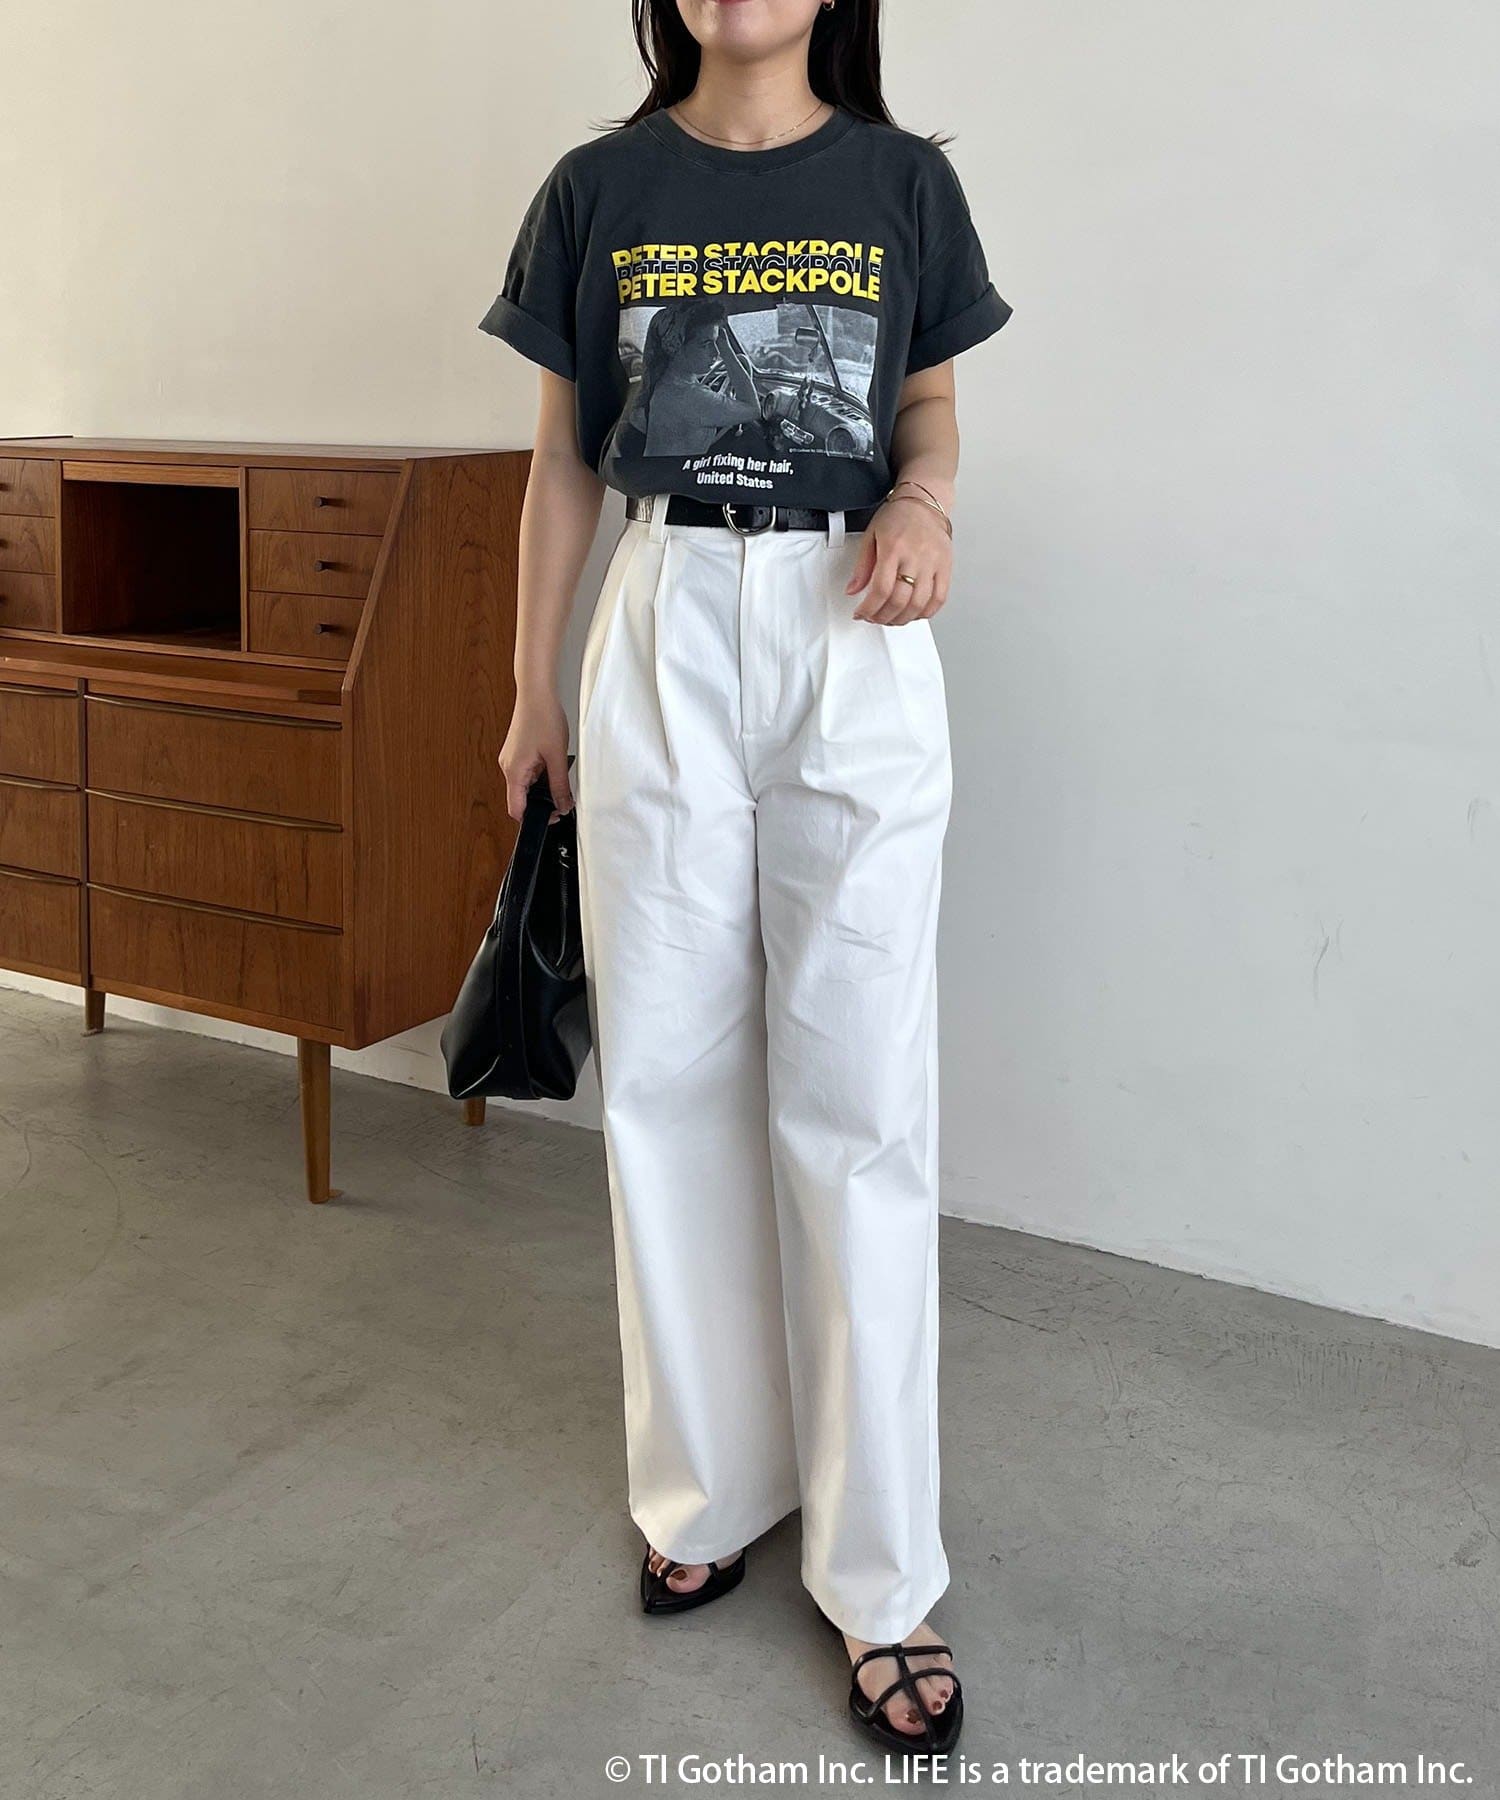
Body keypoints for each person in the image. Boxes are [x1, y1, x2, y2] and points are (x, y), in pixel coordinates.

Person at [479, 0, 1011, 1757]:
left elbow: (928, 407)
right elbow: (562, 461)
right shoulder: (598, 187)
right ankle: (705, 1486)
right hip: (664, 612)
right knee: (671, 1079)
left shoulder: (903, 182)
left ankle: (883, 1573)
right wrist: (533, 689)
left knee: (861, 1100)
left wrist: (925, 504)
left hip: (850, 622)